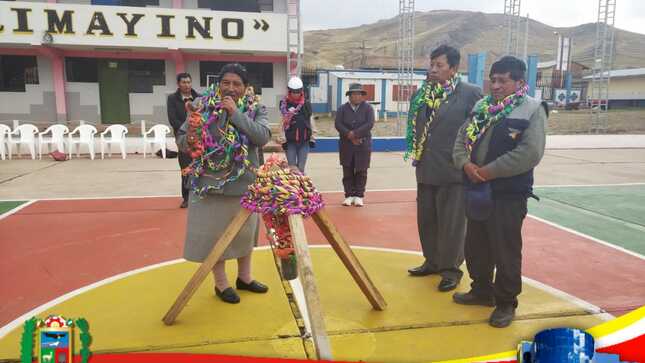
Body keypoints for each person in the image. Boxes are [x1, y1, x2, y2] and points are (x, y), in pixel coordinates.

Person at [452, 56, 548, 328]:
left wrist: (488, 171)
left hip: (507, 194)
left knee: (505, 249)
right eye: (492, 80)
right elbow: (461, 140)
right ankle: (481, 290)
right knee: (476, 244)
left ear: (519, 83)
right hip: (476, 189)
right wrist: (466, 164)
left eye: (502, 81)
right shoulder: (482, 108)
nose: (495, 86)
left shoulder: (531, 109)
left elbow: (529, 153)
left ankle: (506, 302)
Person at [176, 63, 272, 304]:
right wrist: (190, 137)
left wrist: (235, 114)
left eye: (237, 84)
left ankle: (245, 278)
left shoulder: (255, 109)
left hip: (244, 184)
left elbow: (261, 137)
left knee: (244, 235)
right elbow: (182, 141)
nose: (230, 88)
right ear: (218, 85)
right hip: (210, 186)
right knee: (214, 237)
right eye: (226, 83)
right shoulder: (201, 107)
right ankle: (221, 284)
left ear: (246, 88)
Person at [406, 45, 483, 293]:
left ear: (454, 68)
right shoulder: (423, 95)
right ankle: (432, 261)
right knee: (426, 220)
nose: (433, 69)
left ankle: (451, 270)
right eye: (432, 64)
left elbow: (479, 131)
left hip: (453, 171)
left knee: (452, 225)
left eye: (439, 65)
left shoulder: (470, 94)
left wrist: (469, 161)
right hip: (426, 168)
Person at [334, 83, 375, 207]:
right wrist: (349, 135)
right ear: (349, 96)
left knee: (361, 171)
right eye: (354, 94)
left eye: (359, 94)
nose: (357, 96)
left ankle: (359, 196)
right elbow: (338, 124)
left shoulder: (368, 108)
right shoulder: (342, 109)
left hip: (363, 144)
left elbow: (369, 124)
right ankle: (349, 195)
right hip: (346, 144)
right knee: (347, 170)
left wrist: (356, 134)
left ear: (362, 96)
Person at [167, 73, 200, 208]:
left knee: (199, 167)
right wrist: (187, 130)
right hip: (183, 139)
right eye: (183, 82)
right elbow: (172, 119)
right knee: (185, 168)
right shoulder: (172, 99)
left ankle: (199, 195)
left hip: (199, 139)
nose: (186, 85)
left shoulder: (199, 98)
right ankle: (186, 198)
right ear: (178, 84)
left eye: (188, 82)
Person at [278, 77, 317, 173]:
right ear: (289, 91)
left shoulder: (306, 104)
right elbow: (282, 123)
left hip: (304, 142)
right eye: (293, 92)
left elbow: (311, 120)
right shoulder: (284, 105)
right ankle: (293, 187)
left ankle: (301, 187)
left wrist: (313, 137)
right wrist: (282, 139)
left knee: (301, 168)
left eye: (298, 91)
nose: (296, 94)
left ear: (302, 91)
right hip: (290, 142)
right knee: (292, 169)